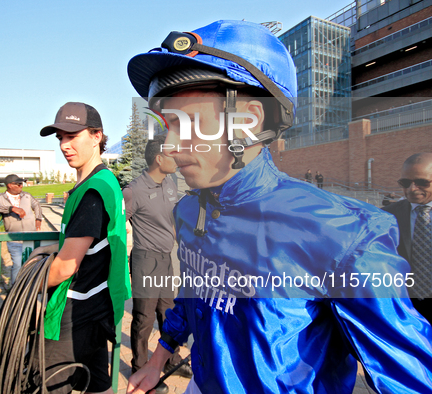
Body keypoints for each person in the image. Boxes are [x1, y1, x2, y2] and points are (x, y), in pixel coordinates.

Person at [126, 20, 432, 394]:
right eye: (165, 125)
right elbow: (193, 294)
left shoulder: (343, 232)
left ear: (250, 120)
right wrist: (158, 359)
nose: (170, 147)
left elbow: (412, 379)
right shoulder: (189, 211)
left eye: (186, 124)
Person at [32, 102, 131, 394]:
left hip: (76, 310)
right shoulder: (104, 180)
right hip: (97, 306)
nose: (64, 145)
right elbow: (83, 243)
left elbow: (65, 267)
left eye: (72, 136)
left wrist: (24, 287)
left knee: (45, 384)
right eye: (60, 137)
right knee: (97, 383)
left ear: (96, 136)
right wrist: (48, 249)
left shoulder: (92, 192)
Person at [123, 135, 191, 392]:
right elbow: (118, 226)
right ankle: (140, 370)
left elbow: (172, 220)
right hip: (145, 259)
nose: (176, 157)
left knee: (168, 312)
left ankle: (170, 361)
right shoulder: (133, 191)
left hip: (165, 259)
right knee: (143, 318)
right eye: (171, 153)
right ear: (158, 158)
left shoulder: (170, 183)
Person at [383, 152, 432, 324]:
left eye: (421, 182)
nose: (412, 189)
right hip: (406, 307)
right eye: (405, 182)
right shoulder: (388, 216)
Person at [0, 173, 43, 282]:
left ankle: (29, 287)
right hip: (13, 238)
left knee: (31, 263)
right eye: (18, 184)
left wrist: (38, 218)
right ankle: (15, 290)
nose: (21, 186)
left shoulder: (27, 196)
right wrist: (11, 208)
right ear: (10, 185)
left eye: (22, 184)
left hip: (30, 236)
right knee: (18, 264)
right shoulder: (0, 198)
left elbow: (37, 204)